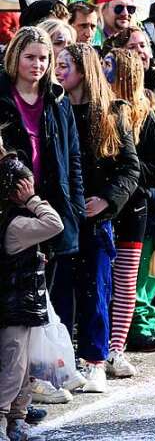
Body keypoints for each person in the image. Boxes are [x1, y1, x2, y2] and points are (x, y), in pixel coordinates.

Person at [53, 43, 140, 393]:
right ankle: (63, 362)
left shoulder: (113, 112)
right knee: (60, 294)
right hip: (62, 217)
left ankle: (95, 362)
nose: (59, 71)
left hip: (96, 219)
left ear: (84, 69)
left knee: (96, 292)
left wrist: (106, 200)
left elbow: (130, 169)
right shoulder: (54, 109)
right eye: (57, 65)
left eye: (65, 65)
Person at [102, 49, 155, 373]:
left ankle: (117, 348)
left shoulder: (148, 118)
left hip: (135, 209)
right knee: (101, 281)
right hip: (104, 207)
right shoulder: (99, 112)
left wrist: (129, 176)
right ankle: (99, 350)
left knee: (128, 281)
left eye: (109, 68)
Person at [0, 29, 83, 264]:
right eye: (30, 57)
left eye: (44, 58)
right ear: (15, 56)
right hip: (10, 208)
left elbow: (73, 157)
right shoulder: (2, 96)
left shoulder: (59, 100)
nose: (37, 64)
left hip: (52, 207)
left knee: (46, 293)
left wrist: (75, 208)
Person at [0, 152, 64, 441]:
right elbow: (55, 224)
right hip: (14, 307)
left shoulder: (14, 220)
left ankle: (17, 421)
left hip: (20, 306)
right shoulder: (17, 225)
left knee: (22, 367)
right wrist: (33, 200)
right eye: (26, 185)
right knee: (14, 367)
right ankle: (3, 423)